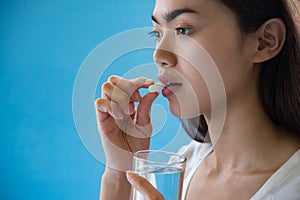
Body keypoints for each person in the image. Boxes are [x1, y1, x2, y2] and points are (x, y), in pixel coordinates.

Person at [95, 0, 300, 199]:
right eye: (157, 33)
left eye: (182, 30)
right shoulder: (180, 169)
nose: (159, 55)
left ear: (265, 41)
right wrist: (120, 175)